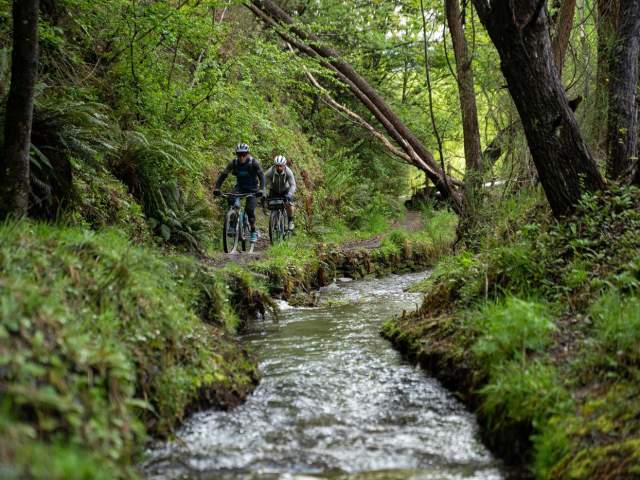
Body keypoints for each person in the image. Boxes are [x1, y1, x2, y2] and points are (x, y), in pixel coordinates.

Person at [213, 143, 266, 243]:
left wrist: (261, 189)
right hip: (240, 187)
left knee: (249, 210)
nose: (242, 157)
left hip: (253, 189)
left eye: (244, 154)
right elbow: (223, 175)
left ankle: (253, 231)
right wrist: (217, 188)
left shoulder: (253, 162)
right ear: (236, 155)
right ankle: (233, 224)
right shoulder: (233, 163)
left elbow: (262, 176)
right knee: (231, 199)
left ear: (248, 154)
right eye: (239, 154)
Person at [264, 155, 296, 232]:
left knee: (289, 205)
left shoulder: (288, 171)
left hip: (286, 190)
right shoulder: (270, 171)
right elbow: (263, 184)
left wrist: (289, 195)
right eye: (277, 166)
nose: (279, 168)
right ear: (275, 165)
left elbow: (293, 185)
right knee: (272, 205)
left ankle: (290, 221)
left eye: (281, 166)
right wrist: (264, 194)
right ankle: (274, 221)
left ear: (284, 165)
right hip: (274, 190)